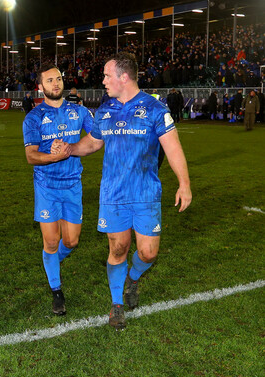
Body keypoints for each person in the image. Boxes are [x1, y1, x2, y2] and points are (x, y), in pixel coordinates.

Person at [66, 52, 191, 330]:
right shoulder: (105, 110)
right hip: (113, 194)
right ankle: (116, 304)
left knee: (148, 253)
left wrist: (184, 183)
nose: (103, 81)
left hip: (145, 193)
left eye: (107, 75)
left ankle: (133, 279)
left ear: (124, 77)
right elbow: (93, 142)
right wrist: (70, 149)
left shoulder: (155, 109)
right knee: (118, 247)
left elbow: (173, 148)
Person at [22, 63, 94, 316]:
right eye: (50, 80)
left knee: (71, 241)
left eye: (59, 79)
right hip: (46, 186)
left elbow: (97, 138)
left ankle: (50, 260)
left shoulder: (79, 112)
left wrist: (73, 149)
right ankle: (56, 290)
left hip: (72, 184)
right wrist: (53, 156)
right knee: (52, 241)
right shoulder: (34, 117)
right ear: (40, 86)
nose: (56, 83)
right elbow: (31, 156)